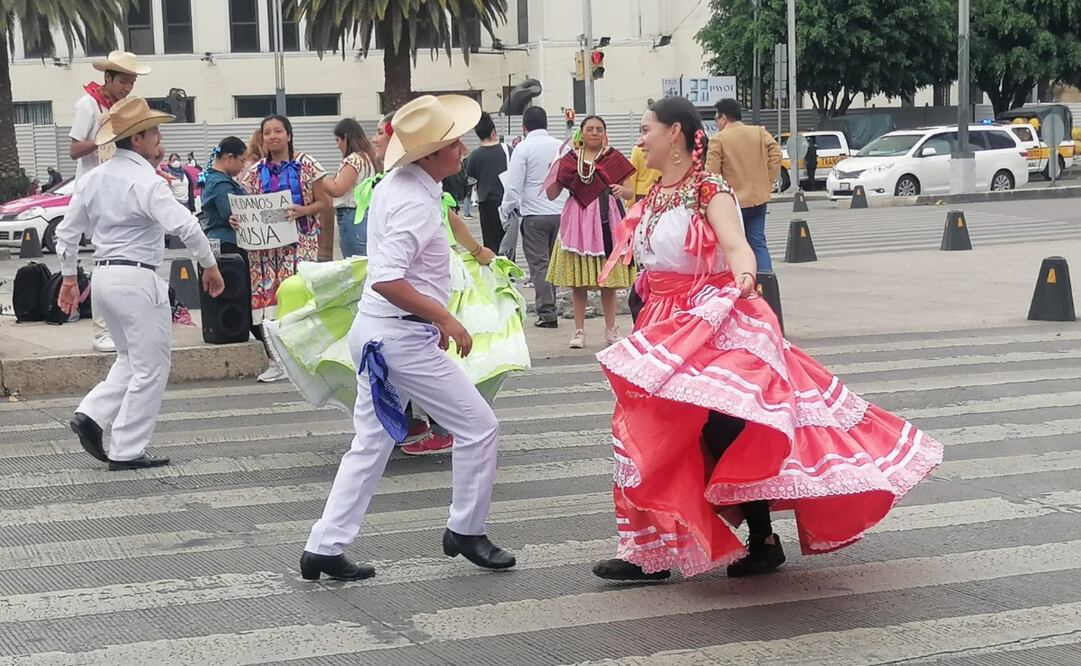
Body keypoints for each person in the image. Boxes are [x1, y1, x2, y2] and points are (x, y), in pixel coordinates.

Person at [591, 96, 943, 582]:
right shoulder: (655, 193)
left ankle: (762, 538)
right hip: (661, 322)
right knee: (643, 431)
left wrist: (743, 280)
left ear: (674, 133)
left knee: (729, 422)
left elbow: (737, 246)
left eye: (647, 129)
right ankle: (650, 550)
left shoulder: (708, 190)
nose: (640, 139)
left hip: (707, 318)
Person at [299, 94, 517, 581]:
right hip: (398, 339)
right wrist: (444, 318)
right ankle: (466, 528)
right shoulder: (416, 202)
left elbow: (395, 278)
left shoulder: (397, 185)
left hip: (381, 333)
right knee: (478, 425)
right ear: (430, 155)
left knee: (370, 443)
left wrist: (428, 318)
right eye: (453, 144)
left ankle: (324, 546)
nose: (461, 151)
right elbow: (387, 277)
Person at [56, 97, 225, 470]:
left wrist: (69, 277)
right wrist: (209, 266)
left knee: (130, 358)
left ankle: (92, 413)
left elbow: (66, 234)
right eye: (154, 133)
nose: (158, 139)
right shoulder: (146, 181)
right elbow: (186, 226)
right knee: (152, 366)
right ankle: (127, 447)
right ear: (137, 140)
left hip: (102, 276)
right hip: (137, 276)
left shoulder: (93, 178)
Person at [70, 50, 149, 355]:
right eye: (123, 82)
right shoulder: (88, 104)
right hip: (94, 190)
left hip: (119, 187)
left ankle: (118, 327)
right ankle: (102, 330)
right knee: (105, 258)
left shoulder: (123, 108)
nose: (128, 88)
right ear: (108, 78)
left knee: (122, 256)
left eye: (131, 83)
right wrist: (103, 141)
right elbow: (75, 149)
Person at [239, 114, 327, 383]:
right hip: (265, 251)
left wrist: (304, 209)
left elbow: (323, 202)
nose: (273, 136)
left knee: (297, 297)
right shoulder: (254, 173)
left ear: (288, 135)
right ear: (262, 137)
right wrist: (238, 218)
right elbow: (247, 207)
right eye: (267, 132)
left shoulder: (307, 164)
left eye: (278, 131)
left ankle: (304, 357)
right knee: (268, 303)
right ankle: (275, 360)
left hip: (300, 242)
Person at [544, 115, 636, 349]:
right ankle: (578, 330)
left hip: (608, 218)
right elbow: (552, 194)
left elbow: (629, 192)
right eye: (590, 129)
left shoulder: (612, 158)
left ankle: (611, 329)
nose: (594, 133)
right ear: (581, 133)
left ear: (604, 133)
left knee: (609, 281)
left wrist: (620, 191)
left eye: (599, 129)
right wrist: (553, 172)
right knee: (578, 282)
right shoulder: (570, 160)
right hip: (578, 220)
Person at [499, 106, 567, 329]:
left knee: (539, 265)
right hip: (560, 212)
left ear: (524, 127)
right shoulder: (560, 147)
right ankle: (552, 304)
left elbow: (513, 185)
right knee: (554, 263)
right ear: (546, 123)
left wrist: (506, 209)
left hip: (534, 215)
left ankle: (547, 312)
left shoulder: (523, 148)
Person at [705, 98, 782, 273]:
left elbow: (712, 174)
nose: (717, 123)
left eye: (717, 119)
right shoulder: (759, 132)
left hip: (732, 203)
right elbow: (776, 153)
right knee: (758, 243)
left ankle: (742, 285)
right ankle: (765, 282)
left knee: (734, 247)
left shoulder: (718, 140)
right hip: (758, 199)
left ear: (723, 118)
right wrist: (768, 179)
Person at [320, 118, 377, 258]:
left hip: (351, 215)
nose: (337, 146)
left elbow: (338, 188)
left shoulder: (354, 160)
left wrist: (317, 176)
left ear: (346, 137)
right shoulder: (368, 158)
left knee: (354, 263)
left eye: (338, 140)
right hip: (363, 213)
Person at [465, 112, 510, 252]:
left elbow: (470, 178)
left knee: (491, 245)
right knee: (508, 243)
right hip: (506, 202)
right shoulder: (507, 150)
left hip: (485, 204)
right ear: (493, 132)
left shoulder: (474, 156)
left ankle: (495, 271)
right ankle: (510, 271)